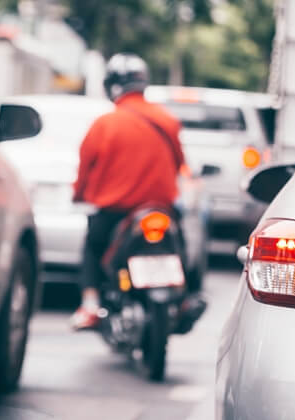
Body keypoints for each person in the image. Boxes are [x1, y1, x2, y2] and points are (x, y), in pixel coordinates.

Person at [71, 53, 186, 330]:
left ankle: (89, 306)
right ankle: (184, 300)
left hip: (116, 213)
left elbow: (85, 168)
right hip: (162, 209)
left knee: (92, 247)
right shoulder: (168, 120)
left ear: (112, 85)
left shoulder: (105, 124)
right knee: (181, 245)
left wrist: (79, 195)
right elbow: (180, 163)